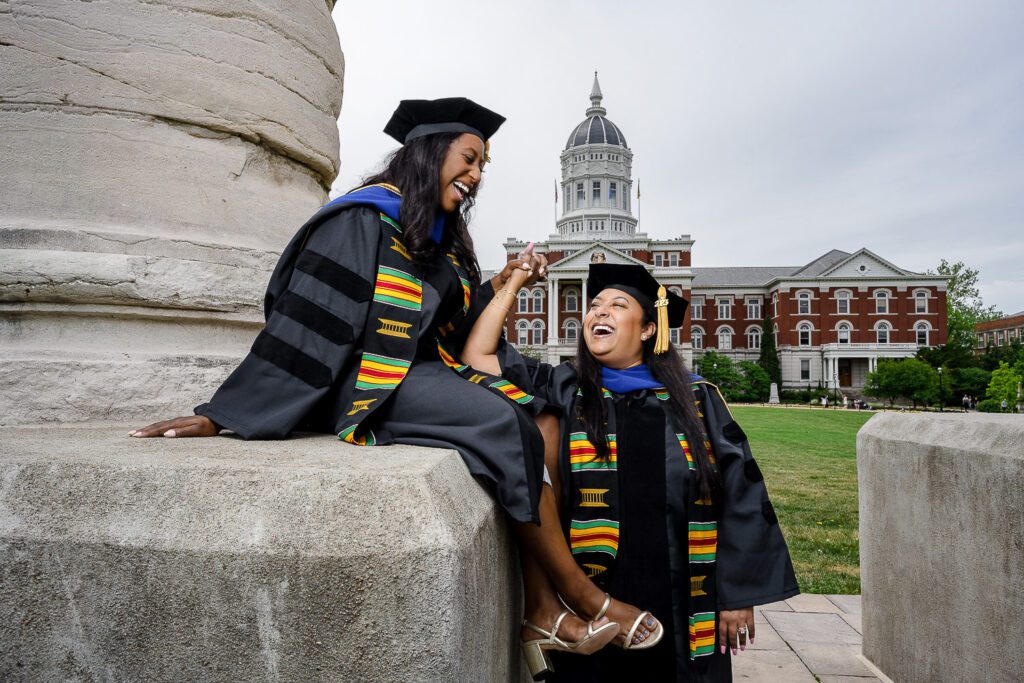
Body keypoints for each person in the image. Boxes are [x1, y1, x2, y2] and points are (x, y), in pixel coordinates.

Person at [131, 99, 629, 669]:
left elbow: (457, 326)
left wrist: (509, 280)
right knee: (502, 420)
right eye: (468, 160)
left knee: (542, 413)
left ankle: (542, 610)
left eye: (481, 167)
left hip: (420, 372)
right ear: (429, 153)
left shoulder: (435, 234)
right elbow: (307, 324)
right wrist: (226, 413)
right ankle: (586, 596)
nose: (475, 176)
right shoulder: (362, 218)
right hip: (371, 382)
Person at [464, 263, 799, 681]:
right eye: (594, 306)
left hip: (682, 594)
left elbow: (741, 492)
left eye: (617, 305)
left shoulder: (697, 400)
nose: (599, 313)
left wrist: (737, 595)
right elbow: (478, 356)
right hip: (596, 602)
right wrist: (513, 283)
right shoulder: (564, 388)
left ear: (646, 329)